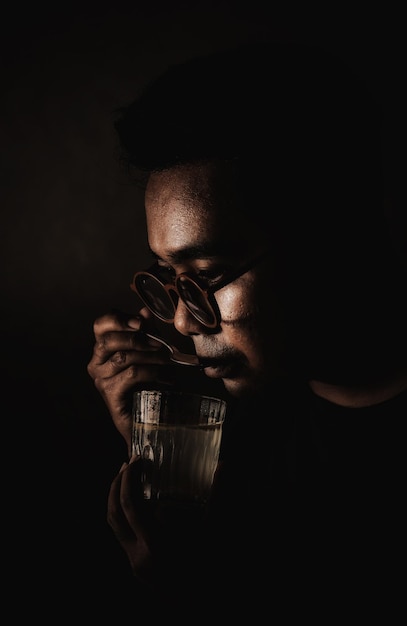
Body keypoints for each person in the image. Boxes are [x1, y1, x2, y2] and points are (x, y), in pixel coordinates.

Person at [87, 41, 407, 615]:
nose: (183, 319)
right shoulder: (247, 434)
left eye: (207, 274)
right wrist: (162, 462)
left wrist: (204, 597)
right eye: (171, 277)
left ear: (334, 239)